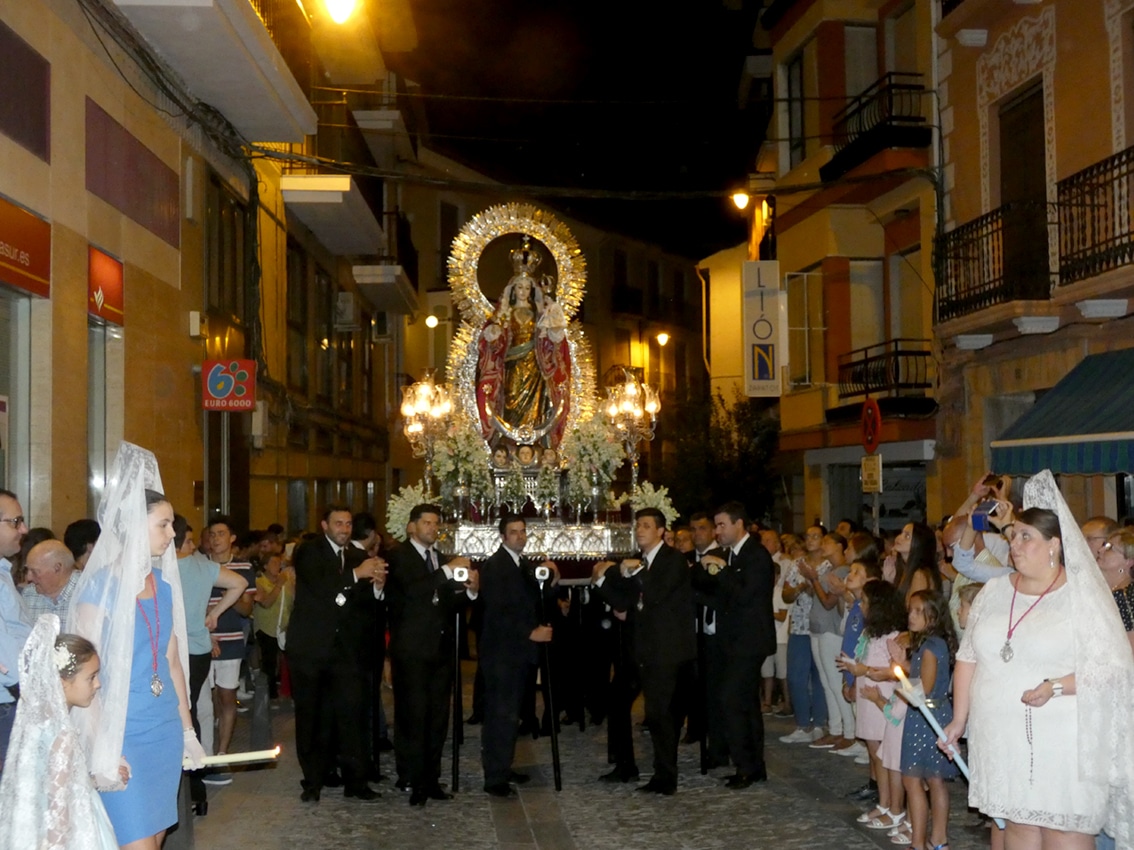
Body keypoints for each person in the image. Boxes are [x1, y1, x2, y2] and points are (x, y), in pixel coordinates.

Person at [941, 471, 1134, 849]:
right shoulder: (993, 591)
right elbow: (967, 658)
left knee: (1064, 831)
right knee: (1018, 828)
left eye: (1026, 537)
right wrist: (959, 720)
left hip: (1061, 737)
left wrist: (1056, 686)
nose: (1015, 544)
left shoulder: (1082, 597)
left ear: (1054, 545)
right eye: (1013, 535)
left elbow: (1115, 669)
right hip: (1000, 738)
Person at [68, 443, 206, 850]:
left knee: (156, 837)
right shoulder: (98, 588)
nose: (172, 534)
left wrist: (187, 730)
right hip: (122, 732)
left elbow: (172, 663)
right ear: (132, 524)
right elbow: (83, 676)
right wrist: (101, 748)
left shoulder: (162, 585)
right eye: (163, 525)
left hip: (163, 730)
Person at [287, 505, 387, 803]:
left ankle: (356, 782)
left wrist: (378, 587)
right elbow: (322, 592)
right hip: (311, 650)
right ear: (324, 525)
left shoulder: (358, 557)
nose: (344, 528)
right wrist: (356, 576)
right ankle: (313, 781)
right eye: (339, 523)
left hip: (346, 654)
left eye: (348, 524)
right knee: (313, 718)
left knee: (351, 717)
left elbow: (365, 606)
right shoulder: (309, 552)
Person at [594, 508, 696, 795]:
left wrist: (631, 572)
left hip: (667, 651)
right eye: (638, 525)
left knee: (660, 714)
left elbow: (653, 594)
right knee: (653, 712)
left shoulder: (672, 561)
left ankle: (666, 777)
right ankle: (638, 768)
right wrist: (602, 582)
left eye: (647, 526)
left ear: (661, 531)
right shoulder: (643, 564)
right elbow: (625, 602)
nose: (640, 530)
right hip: (644, 650)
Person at [384, 504, 476, 806]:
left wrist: (470, 591)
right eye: (426, 523)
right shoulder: (399, 556)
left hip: (440, 650)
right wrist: (447, 572)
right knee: (413, 715)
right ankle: (412, 777)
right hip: (411, 650)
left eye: (436, 523)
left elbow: (446, 601)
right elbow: (414, 591)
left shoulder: (438, 559)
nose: (432, 528)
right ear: (412, 526)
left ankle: (432, 777)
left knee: (438, 716)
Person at [0, 615, 117, 850]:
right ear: (63, 682)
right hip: (70, 833)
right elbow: (58, 807)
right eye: (91, 677)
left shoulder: (39, 723)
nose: (98, 684)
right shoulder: (61, 735)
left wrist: (94, 780)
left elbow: (54, 780)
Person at [693, 501, 776, 789]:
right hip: (735, 639)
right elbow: (725, 599)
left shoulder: (756, 556)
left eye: (721, 525)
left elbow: (744, 595)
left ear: (738, 524)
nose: (717, 531)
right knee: (746, 704)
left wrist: (720, 570)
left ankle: (745, 765)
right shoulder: (733, 555)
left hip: (750, 641)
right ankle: (754, 766)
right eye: (716, 525)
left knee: (731, 699)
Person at [477, 515, 557, 797]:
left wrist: (550, 581)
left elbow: (531, 599)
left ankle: (504, 766)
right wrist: (529, 632)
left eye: (523, 531)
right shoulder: (496, 566)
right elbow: (499, 610)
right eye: (514, 532)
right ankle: (495, 777)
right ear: (502, 536)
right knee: (501, 714)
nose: (520, 536)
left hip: (517, 654)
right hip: (502, 654)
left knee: (511, 715)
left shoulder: (521, 564)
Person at [173, 514, 245, 814]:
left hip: (170, 650)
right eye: (190, 540)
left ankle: (181, 787)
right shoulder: (200, 566)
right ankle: (197, 788)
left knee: (176, 715)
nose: (195, 545)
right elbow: (238, 583)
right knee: (190, 713)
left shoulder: (151, 567)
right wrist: (215, 613)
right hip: (198, 650)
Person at [475, 237, 571, 447]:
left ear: (532, 290)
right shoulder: (504, 314)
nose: (523, 292)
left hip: (535, 366)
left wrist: (550, 323)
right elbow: (494, 340)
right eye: (520, 288)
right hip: (511, 365)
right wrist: (494, 333)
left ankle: (533, 444)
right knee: (511, 404)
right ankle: (509, 443)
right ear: (512, 289)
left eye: (527, 288)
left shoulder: (540, 313)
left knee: (535, 407)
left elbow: (552, 339)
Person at [840, 579, 907, 834]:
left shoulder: (892, 637)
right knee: (875, 752)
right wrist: (853, 673)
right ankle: (884, 802)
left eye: (865, 601)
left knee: (886, 756)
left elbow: (895, 672)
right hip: (868, 697)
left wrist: (864, 670)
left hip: (881, 698)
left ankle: (894, 807)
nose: (861, 606)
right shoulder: (871, 632)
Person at [894, 590, 958, 850]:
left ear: (933, 615)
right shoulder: (931, 643)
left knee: (913, 780)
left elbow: (925, 689)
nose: (911, 615)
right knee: (935, 779)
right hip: (935, 715)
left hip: (926, 718)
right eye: (910, 610)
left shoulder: (931, 647)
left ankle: (918, 842)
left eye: (918, 611)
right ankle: (939, 840)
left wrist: (902, 682)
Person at [202, 516, 255, 784]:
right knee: (204, 699)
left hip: (232, 640)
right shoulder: (199, 565)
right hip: (202, 640)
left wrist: (231, 593)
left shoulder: (244, 567)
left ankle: (222, 753)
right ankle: (205, 752)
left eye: (221, 533)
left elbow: (247, 609)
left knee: (226, 697)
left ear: (232, 537)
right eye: (212, 534)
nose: (215, 539)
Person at [0, 490, 33, 767]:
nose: (24, 529)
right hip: (9, 700)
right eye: (16, 521)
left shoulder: (3, 570)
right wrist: (30, 692)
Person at [22, 540, 80, 631]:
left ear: (57, 568)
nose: (29, 578)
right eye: (27, 570)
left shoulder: (87, 591)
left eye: (35, 572)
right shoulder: (28, 594)